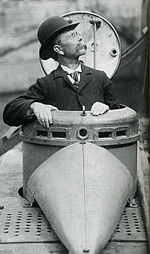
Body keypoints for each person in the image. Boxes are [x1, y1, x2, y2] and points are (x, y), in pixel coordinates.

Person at [3, 16, 120, 128]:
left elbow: (121, 114)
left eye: (77, 33)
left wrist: (107, 109)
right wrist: (34, 106)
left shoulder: (100, 78)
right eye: (73, 36)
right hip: (62, 148)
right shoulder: (46, 84)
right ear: (59, 49)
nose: (80, 37)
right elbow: (9, 113)